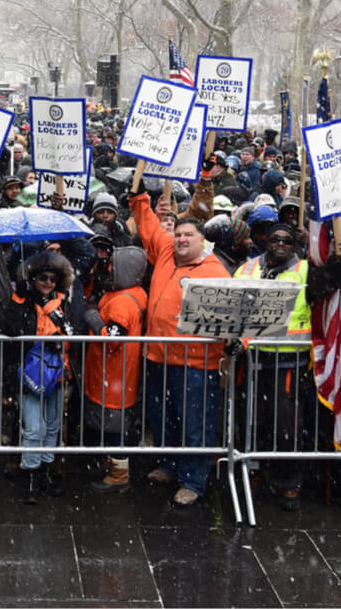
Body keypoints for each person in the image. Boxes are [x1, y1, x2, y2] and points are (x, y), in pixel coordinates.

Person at [233, 223, 341, 511]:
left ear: (293, 245)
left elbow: (330, 282)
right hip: (252, 360)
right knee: (252, 421)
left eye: (286, 240)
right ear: (266, 242)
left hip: (288, 362)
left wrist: (338, 257)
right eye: (275, 239)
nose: (281, 243)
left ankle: (288, 483)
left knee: (287, 427)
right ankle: (255, 470)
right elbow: (230, 310)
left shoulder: (306, 271)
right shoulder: (246, 270)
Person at [129, 186, 230, 505]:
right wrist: (138, 195)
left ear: (202, 240)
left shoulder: (216, 273)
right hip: (158, 356)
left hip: (197, 364)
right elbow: (146, 222)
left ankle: (193, 480)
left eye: (189, 235)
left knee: (195, 423)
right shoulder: (164, 252)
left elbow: (233, 319)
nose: (182, 239)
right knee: (163, 417)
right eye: (179, 235)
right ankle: (169, 465)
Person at [4, 250, 82, 503]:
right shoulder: (23, 302)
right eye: (42, 278)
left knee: (52, 427)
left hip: (59, 376)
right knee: (34, 429)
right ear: (33, 279)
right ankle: (31, 476)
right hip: (32, 376)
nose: (48, 283)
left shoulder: (65, 305)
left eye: (52, 279)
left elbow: (75, 333)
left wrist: (59, 341)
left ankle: (47, 472)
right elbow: (11, 329)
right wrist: (19, 297)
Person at [82, 245, 148, 493]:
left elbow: (112, 338)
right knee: (114, 425)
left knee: (114, 428)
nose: (108, 270)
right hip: (120, 375)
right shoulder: (137, 292)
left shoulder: (122, 303)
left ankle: (119, 474)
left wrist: (91, 315)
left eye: (112, 266)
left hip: (112, 375)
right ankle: (113, 465)